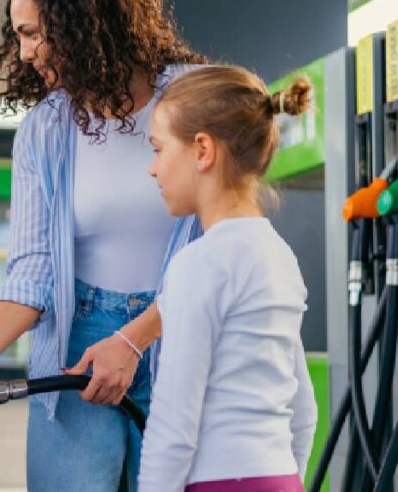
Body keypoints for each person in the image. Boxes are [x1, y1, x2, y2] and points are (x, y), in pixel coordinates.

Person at [0, 0, 205, 489]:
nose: (23, 54)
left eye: (33, 34)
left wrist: (138, 338)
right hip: (77, 346)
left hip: (186, 338)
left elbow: (226, 250)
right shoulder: (45, 129)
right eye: (17, 35)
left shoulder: (194, 98)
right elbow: (32, 273)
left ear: (84, 20)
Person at [138, 67, 317, 492]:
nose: (152, 169)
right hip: (281, 478)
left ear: (202, 150)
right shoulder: (280, 255)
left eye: (159, 149)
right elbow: (304, 410)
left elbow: (174, 426)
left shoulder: (197, 263)